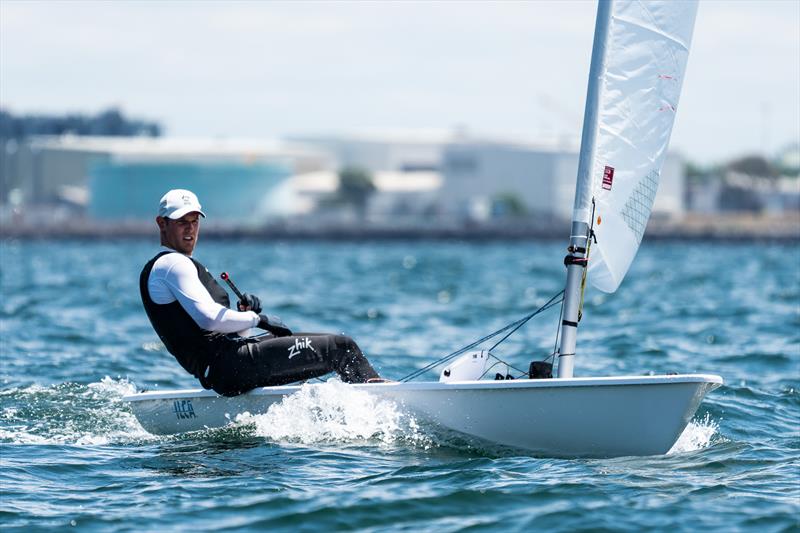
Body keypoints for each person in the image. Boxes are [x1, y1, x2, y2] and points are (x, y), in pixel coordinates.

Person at [140, 189, 382, 396]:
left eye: (195, 221)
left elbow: (214, 331)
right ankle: (381, 401)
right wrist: (260, 319)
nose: (190, 230)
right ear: (162, 223)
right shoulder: (173, 264)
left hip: (225, 370)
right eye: (182, 222)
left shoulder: (176, 266)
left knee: (321, 353)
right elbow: (209, 318)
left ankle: (359, 402)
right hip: (228, 365)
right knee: (340, 348)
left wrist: (243, 316)